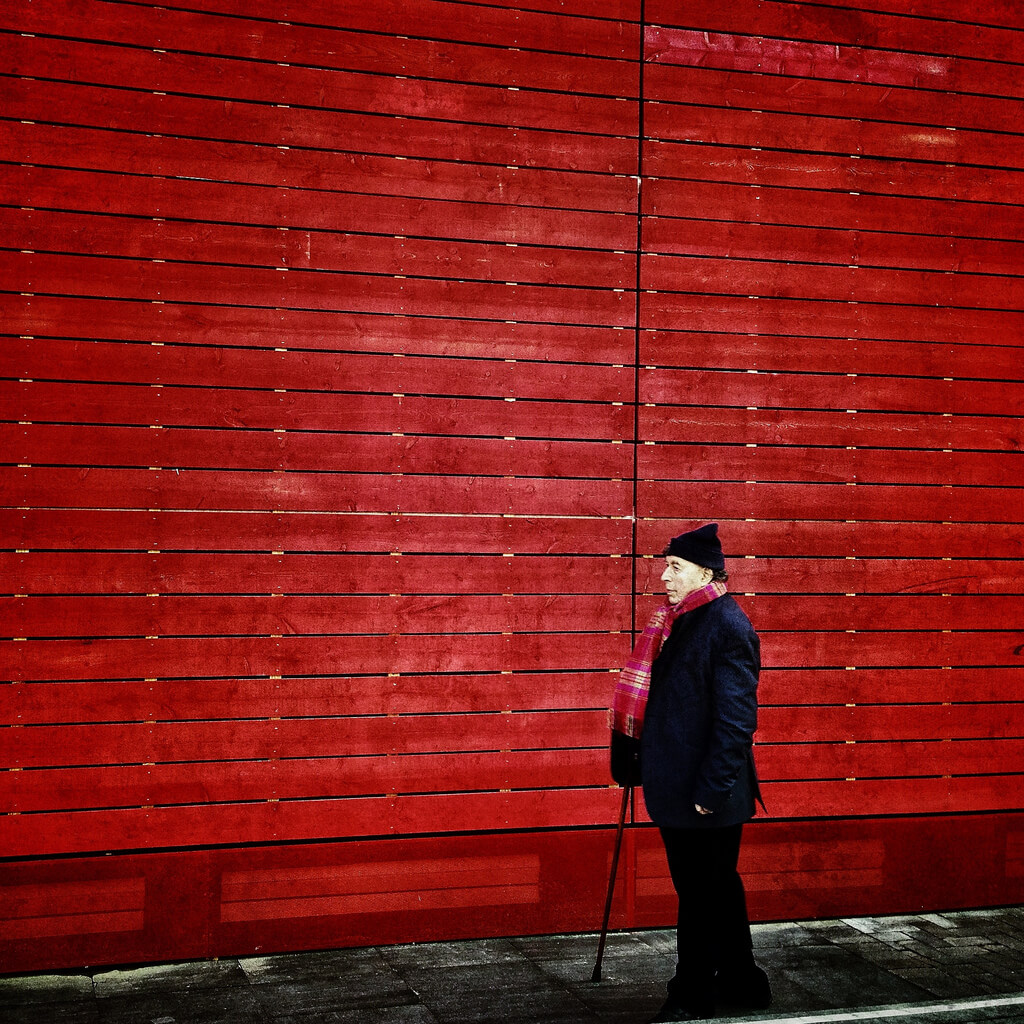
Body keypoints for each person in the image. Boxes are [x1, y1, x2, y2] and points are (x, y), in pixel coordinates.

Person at [609, 523, 771, 1022]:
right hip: (681, 785)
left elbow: (736, 720)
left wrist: (711, 789)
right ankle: (744, 982)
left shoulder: (727, 625)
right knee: (718, 886)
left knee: (701, 893)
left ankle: (692, 993)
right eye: (667, 565)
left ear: (706, 571)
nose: (665, 576)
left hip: (706, 792)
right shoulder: (679, 620)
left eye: (676, 567)